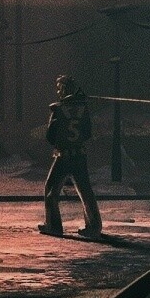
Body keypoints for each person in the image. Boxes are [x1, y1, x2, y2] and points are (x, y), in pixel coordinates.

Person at [40, 74, 102, 238]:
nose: (58, 91)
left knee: (51, 190)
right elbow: (87, 133)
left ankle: (53, 225)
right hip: (79, 155)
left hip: (63, 156)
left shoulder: (58, 110)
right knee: (85, 191)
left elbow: (50, 136)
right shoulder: (82, 109)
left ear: (64, 89)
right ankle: (94, 226)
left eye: (59, 88)